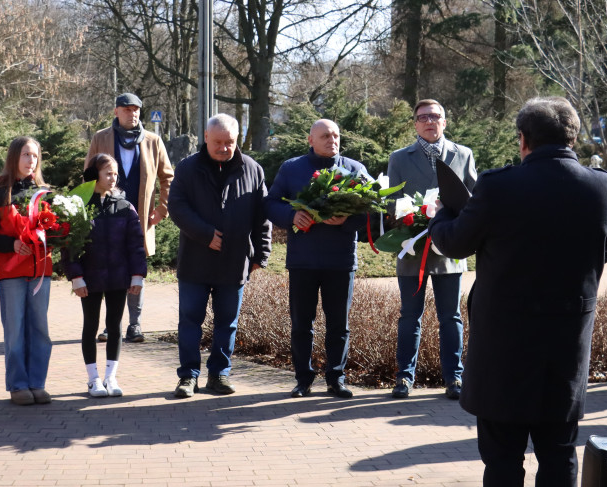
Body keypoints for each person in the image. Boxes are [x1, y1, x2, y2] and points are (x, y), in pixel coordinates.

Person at [430, 97, 607, 487]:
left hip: (504, 347)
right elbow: (604, 250)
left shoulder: (498, 186)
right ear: (573, 138)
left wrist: (438, 218)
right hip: (565, 344)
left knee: (502, 458)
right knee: (559, 453)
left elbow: (454, 243)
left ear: (523, 140)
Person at [167, 114, 272, 398]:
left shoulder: (252, 169)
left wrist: (262, 253)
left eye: (230, 142)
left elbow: (262, 216)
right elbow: (176, 206)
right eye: (218, 142)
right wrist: (205, 234)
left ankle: (219, 375)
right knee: (190, 320)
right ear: (205, 137)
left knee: (228, 322)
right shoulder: (188, 168)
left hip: (235, 261)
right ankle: (188, 376)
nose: (224, 148)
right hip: (195, 261)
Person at [264, 119, 369, 399]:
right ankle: (303, 379)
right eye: (324, 136)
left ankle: (337, 379)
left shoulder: (354, 170)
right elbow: (271, 202)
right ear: (310, 140)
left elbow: (373, 209)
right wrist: (291, 216)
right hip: (303, 260)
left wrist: (346, 221)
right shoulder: (292, 168)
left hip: (340, 260)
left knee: (339, 324)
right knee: (302, 323)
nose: (331, 140)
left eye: (335, 135)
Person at [387, 99, 477, 400]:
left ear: (444, 122)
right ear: (415, 123)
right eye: (423, 117)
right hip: (413, 247)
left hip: (450, 246)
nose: (429, 121)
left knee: (450, 316)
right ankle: (404, 378)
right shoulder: (399, 158)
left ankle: (455, 378)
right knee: (409, 316)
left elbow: (473, 200)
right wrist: (411, 214)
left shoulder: (463, 155)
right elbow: (391, 201)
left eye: (435, 116)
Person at [85, 93, 174, 343]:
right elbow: (88, 175)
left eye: (136, 110)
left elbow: (168, 177)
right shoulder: (100, 138)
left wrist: (162, 209)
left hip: (140, 218)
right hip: (106, 217)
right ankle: (109, 325)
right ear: (116, 112)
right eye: (126, 109)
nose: (132, 113)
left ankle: (135, 325)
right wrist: (90, 211)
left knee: (136, 269)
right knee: (108, 268)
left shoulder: (153, 141)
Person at [67, 153, 147, 398]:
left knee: (114, 326)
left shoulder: (125, 207)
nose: (113, 178)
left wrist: (137, 276)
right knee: (90, 325)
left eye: (115, 174)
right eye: (107, 173)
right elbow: (70, 245)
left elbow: (136, 245)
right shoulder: (79, 204)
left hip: (118, 279)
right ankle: (93, 379)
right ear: (95, 175)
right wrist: (76, 277)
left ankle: (110, 377)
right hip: (89, 280)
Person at [0, 137, 53, 406]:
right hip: (11, 272)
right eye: (25, 155)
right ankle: (18, 385)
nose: (30, 161)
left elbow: (55, 232)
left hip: (41, 271)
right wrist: (11, 244)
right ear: (14, 158)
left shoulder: (45, 193)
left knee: (40, 330)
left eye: (34, 156)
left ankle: (37, 383)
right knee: (15, 331)